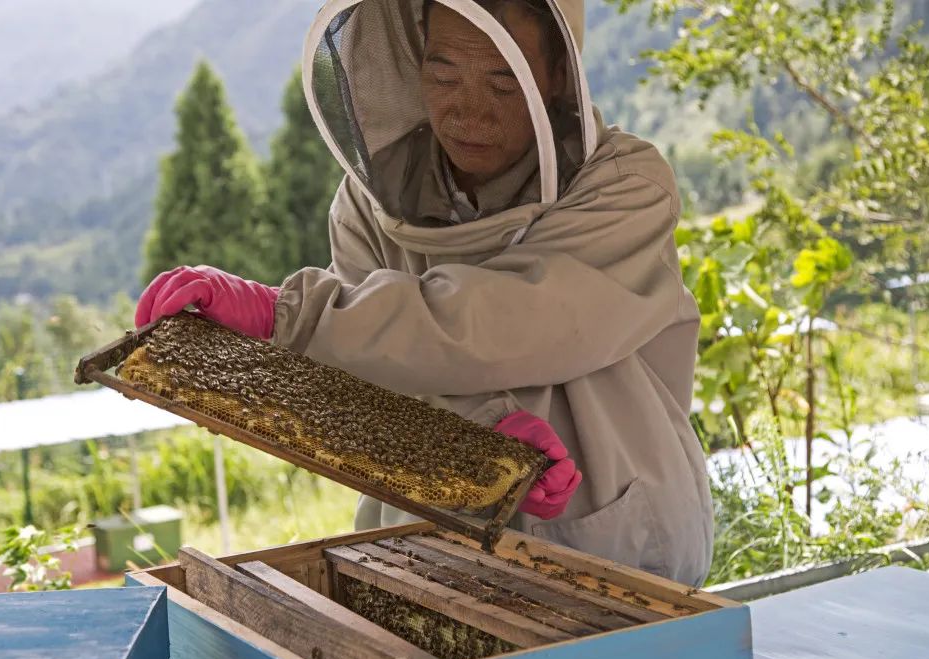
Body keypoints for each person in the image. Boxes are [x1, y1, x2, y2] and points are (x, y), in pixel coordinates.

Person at [135, 0, 713, 585]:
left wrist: (286, 315)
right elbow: (365, 378)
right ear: (413, 56)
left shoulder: (625, 188)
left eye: (502, 80)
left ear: (558, 73)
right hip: (424, 542)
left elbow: (503, 324)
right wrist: (472, 439)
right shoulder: (371, 201)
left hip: (619, 535)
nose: (468, 113)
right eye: (443, 75)